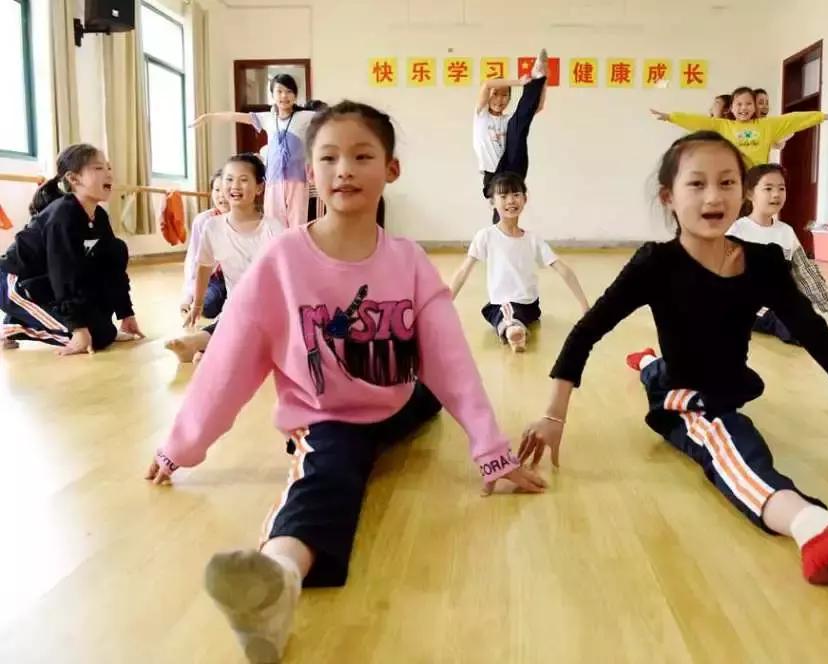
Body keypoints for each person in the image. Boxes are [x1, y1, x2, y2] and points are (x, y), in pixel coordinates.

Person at [146, 100, 545, 662]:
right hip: (329, 415)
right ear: (311, 174)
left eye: (363, 156)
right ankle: (279, 580)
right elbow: (230, 362)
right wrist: (180, 446)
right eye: (329, 158)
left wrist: (492, 455)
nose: (345, 169)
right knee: (331, 476)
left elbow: (450, 364)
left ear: (391, 170)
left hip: (401, 397)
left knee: (430, 393)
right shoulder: (283, 260)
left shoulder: (407, 260)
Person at [519, 131, 828, 587]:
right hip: (690, 398)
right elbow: (585, 333)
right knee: (728, 439)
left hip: (729, 382)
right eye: (696, 184)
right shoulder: (655, 264)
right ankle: (815, 526)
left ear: (743, 192)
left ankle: (648, 364)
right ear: (668, 197)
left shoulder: (766, 262)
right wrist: (553, 415)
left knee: (672, 377)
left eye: (727, 183)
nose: (713, 197)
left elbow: (820, 341)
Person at [1, 143, 144, 354]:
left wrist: (126, 313)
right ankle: (13, 325)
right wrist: (78, 327)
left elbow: (110, 267)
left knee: (115, 249)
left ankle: (27, 316)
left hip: (44, 282)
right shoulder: (63, 215)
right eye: (98, 168)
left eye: (108, 167)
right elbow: (64, 272)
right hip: (14, 283)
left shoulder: (99, 216)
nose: (108, 174)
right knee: (98, 337)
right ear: (74, 179)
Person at [727, 163, 828, 353]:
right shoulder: (737, 231)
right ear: (750, 194)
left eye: (781, 188)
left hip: (779, 302)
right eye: (768, 188)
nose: (776, 194)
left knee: (807, 312)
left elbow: (806, 274)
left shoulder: (786, 232)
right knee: (784, 319)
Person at [449, 171, 589, 352]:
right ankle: (514, 332)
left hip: (530, 306)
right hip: (502, 303)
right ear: (492, 202)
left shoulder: (532, 239)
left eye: (516, 195)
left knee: (512, 315)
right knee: (506, 311)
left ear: (525, 199)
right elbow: (463, 272)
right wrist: (444, 303)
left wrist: (585, 306)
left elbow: (563, 270)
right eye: (503, 196)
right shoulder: (486, 236)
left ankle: (514, 330)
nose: (511, 201)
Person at [166, 154, 284, 364]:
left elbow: (286, 275)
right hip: (236, 308)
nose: (234, 185)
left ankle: (203, 347)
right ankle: (203, 346)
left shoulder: (273, 229)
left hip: (270, 308)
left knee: (253, 327)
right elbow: (204, 266)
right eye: (229, 179)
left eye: (244, 179)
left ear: (259, 187)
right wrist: (197, 305)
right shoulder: (213, 227)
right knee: (233, 318)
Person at [190, 74, 316, 228]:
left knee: (297, 222)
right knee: (273, 223)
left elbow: (332, 118)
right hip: (273, 180)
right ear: (272, 95)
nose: (284, 96)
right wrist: (208, 117)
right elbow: (235, 117)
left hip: (296, 179)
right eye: (279, 91)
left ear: (295, 95)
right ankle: (276, 252)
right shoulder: (267, 118)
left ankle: (296, 251)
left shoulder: (305, 117)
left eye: (289, 91)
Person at [650, 86, 828, 166]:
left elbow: (795, 119)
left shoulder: (767, 125)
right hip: (732, 179)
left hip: (757, 181)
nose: (744, 108)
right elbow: (698, 121)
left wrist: (822, 116)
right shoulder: (723, 126)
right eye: (739, 104)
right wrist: (671, 117)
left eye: (748, 104)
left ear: (755, 106)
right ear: (732, 108)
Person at [474, 49, 548, 224]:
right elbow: (486, 84)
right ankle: (498, 240)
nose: (500, 100)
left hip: (514, 164)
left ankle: (538, 75)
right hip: (494, 173)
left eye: (505, 95)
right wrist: (519, 82)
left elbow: (536, 108)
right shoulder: (481, 115)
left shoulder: (510, 122)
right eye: (496, 94)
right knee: (502, 214)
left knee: (520, 122)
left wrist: (542, 82)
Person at [180, 169, 229, 319]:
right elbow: (193, 259)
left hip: (241, 280)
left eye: (226, 190)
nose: (221, 195)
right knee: (207, 306)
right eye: (216, 189)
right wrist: (188, 296)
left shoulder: (246, 220)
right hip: (215, 280)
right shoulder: (203, 220)